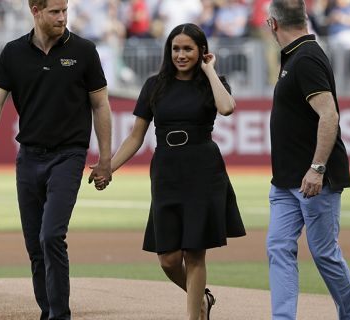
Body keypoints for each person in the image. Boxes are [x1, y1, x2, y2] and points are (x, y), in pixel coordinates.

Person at [91, 23, 246, 320]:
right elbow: (136, 136)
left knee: (194, 251)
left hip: (203, 170)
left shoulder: (213, 82)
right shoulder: (154, 85)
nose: (181, 54)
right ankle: (201, 298)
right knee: (169, 259)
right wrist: (108, 166)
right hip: (166, 172)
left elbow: (226, 108)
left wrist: (210, 70)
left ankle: (195, 315)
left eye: (188, 48)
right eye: (176, 48)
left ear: (202, 51)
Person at [0, 0, 113, 319]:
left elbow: (101, 105)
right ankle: (48, 311)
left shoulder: (84, 51)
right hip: (29, 157)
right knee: (35, 247)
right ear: (35, 11)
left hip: (69, 155)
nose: (62, 17)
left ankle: (59, 316)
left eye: (65, 11)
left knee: (51, 235)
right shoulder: (13, 53)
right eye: (55, 12)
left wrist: (105, 159)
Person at [264, 0, 350, 319]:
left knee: (324, 254)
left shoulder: (306, 57)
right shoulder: (296, 55)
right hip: (285, 181)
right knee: (279, 248)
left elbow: (329, 115)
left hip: (314, 179)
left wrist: (317, 168)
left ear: (272, 24)